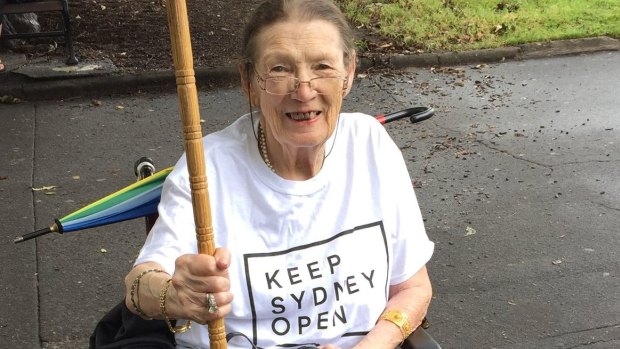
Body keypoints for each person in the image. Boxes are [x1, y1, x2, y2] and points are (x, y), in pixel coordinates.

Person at [123, 0, 434, 348]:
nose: (303, 90)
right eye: (280, 69)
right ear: (249, 81)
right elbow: (138, 287)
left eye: (322, 66)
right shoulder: (208, 167)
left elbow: (413, 287)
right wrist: (173, 295)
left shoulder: (370, 145)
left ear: (348, 73)